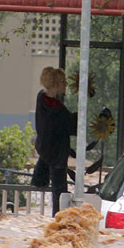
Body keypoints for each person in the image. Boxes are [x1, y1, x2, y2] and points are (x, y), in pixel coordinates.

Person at [31, 66, 77, 216]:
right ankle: (59, 218)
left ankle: (39, 179)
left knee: (41, 179)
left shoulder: (41, 98)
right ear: (57, 85)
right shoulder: (58, 110)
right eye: (63, 82)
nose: (66, 85)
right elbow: (71, 125)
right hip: (57, 154)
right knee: (59, 191)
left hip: (45, 149)